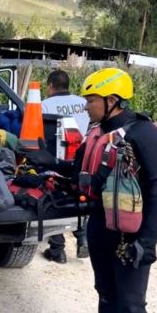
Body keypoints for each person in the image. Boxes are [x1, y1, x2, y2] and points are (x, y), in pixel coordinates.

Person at [21, 67, 157, 313]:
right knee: (106, 296)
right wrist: (52, 162)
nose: (86, 106)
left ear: (111, 101)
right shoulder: (96, 132)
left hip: (131, 233)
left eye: (91, 100)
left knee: (132, 305)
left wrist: (147, 241)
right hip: (100, 225)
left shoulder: (143, 133)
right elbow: (79, 172)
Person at [40, 69, 90, 263]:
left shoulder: (44, 105)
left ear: (50, 86)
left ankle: (57, 249)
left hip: (56, 160)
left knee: (55, 198)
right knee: (80, 196)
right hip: (82, 158)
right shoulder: (83, 103)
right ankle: (82, 238)